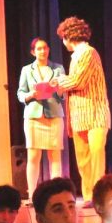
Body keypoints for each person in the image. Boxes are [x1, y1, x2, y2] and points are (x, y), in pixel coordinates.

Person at [55, 17, 110, 200]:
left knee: (95, 156)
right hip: (79, 115)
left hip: (95, 114)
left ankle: (98, 196)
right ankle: (88, 196)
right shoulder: (76, 56)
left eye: (63, 38)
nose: (63, 43)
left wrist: (59, 82)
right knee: (83, 159)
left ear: (68, 36)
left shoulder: (88, 52)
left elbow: (78, 80)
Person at [17, 38, 66, 196]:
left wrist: (59, 89)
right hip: (33, 116)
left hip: (54, 115)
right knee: (33, 155)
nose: (42, 51)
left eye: (45, 48)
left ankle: (56, 194)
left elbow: (63, 94)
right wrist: (30, 95)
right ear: (33, 52)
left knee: (55, 155)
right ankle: (32, 194)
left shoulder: (58, 68)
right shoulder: (26, 70)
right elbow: (20, 93)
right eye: (39, 49)